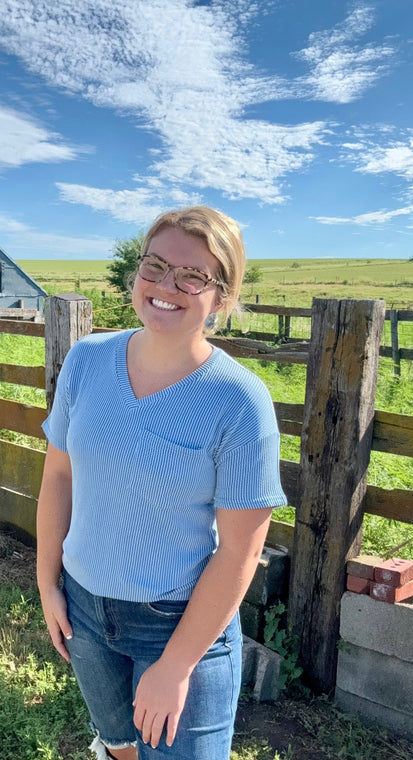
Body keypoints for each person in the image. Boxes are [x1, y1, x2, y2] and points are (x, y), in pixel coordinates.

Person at [37, 206, 287, 760]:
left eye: (193, 275)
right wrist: (47, 580)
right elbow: (58, 475)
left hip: (178, 624)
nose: (166, 286)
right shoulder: (86, 361)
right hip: (85, 610)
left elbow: (242, 550)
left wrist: (175, 664)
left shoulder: (238, 401)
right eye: (154, 265)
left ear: (221, 296)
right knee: (120, 747)